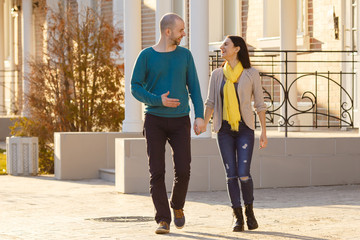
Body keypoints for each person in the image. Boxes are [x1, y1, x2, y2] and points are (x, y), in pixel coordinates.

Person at [131, 13, 205, 234]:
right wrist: (157, 100)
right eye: (181, 30)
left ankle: (177, 206)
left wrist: (199, 116)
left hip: (180, 120)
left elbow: (195, 88)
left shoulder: (185, 55)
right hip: (154, 120)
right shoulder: (146, 56)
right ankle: (163, 219)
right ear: (167, 32)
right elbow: (135, 87)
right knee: (157, 172)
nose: (184, 33)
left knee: (183, 169)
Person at [200, 35, 268, 232]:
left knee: (243, 174)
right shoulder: (217, 75)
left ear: (237, 49)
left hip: (245, 129)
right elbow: (210, 103)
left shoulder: (251, 73)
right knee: (231, 175)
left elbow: (260, 104)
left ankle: (249, 212)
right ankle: (237, 217)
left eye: (226, 44)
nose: (221, 47)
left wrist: (263, 131)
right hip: (224, 131)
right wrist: (204, 123)